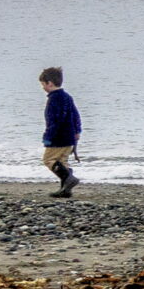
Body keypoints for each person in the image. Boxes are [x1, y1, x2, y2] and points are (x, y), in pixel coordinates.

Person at [38, 67, 81, 198]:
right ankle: (65, 190)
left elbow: (55, 121)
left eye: (43, 84)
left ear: (49, 83)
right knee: (62, 162)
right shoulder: (67, 97)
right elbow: (75, 115)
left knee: (49, 159)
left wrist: (48, 137)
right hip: (70, 136)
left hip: (58, 137)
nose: (43, 87)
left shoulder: (54, 99)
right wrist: (77, 130)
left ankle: (69, 178)